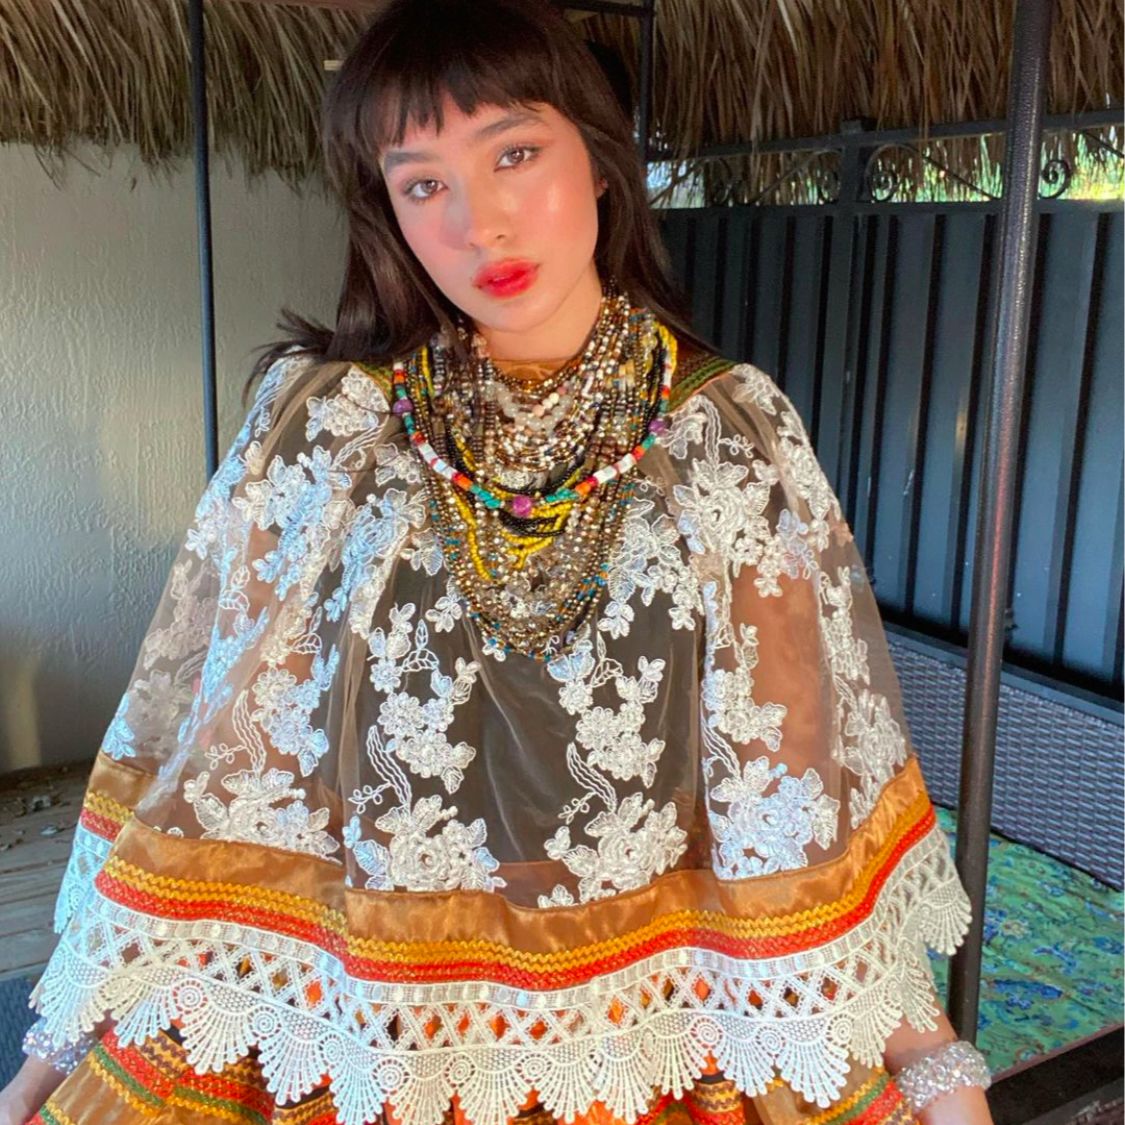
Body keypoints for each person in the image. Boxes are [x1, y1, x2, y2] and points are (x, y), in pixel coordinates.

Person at [0, 1, 995, 1122]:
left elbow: (791, 781)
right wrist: (53, 1053)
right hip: (355, 1020)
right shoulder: (327, 426)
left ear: (601, 161)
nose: (478, 223)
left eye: (514, 153)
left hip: (650, 1025)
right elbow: (226, 758)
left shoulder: (726, 434)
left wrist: (929, 1055)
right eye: (423, 183)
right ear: (387, 209)